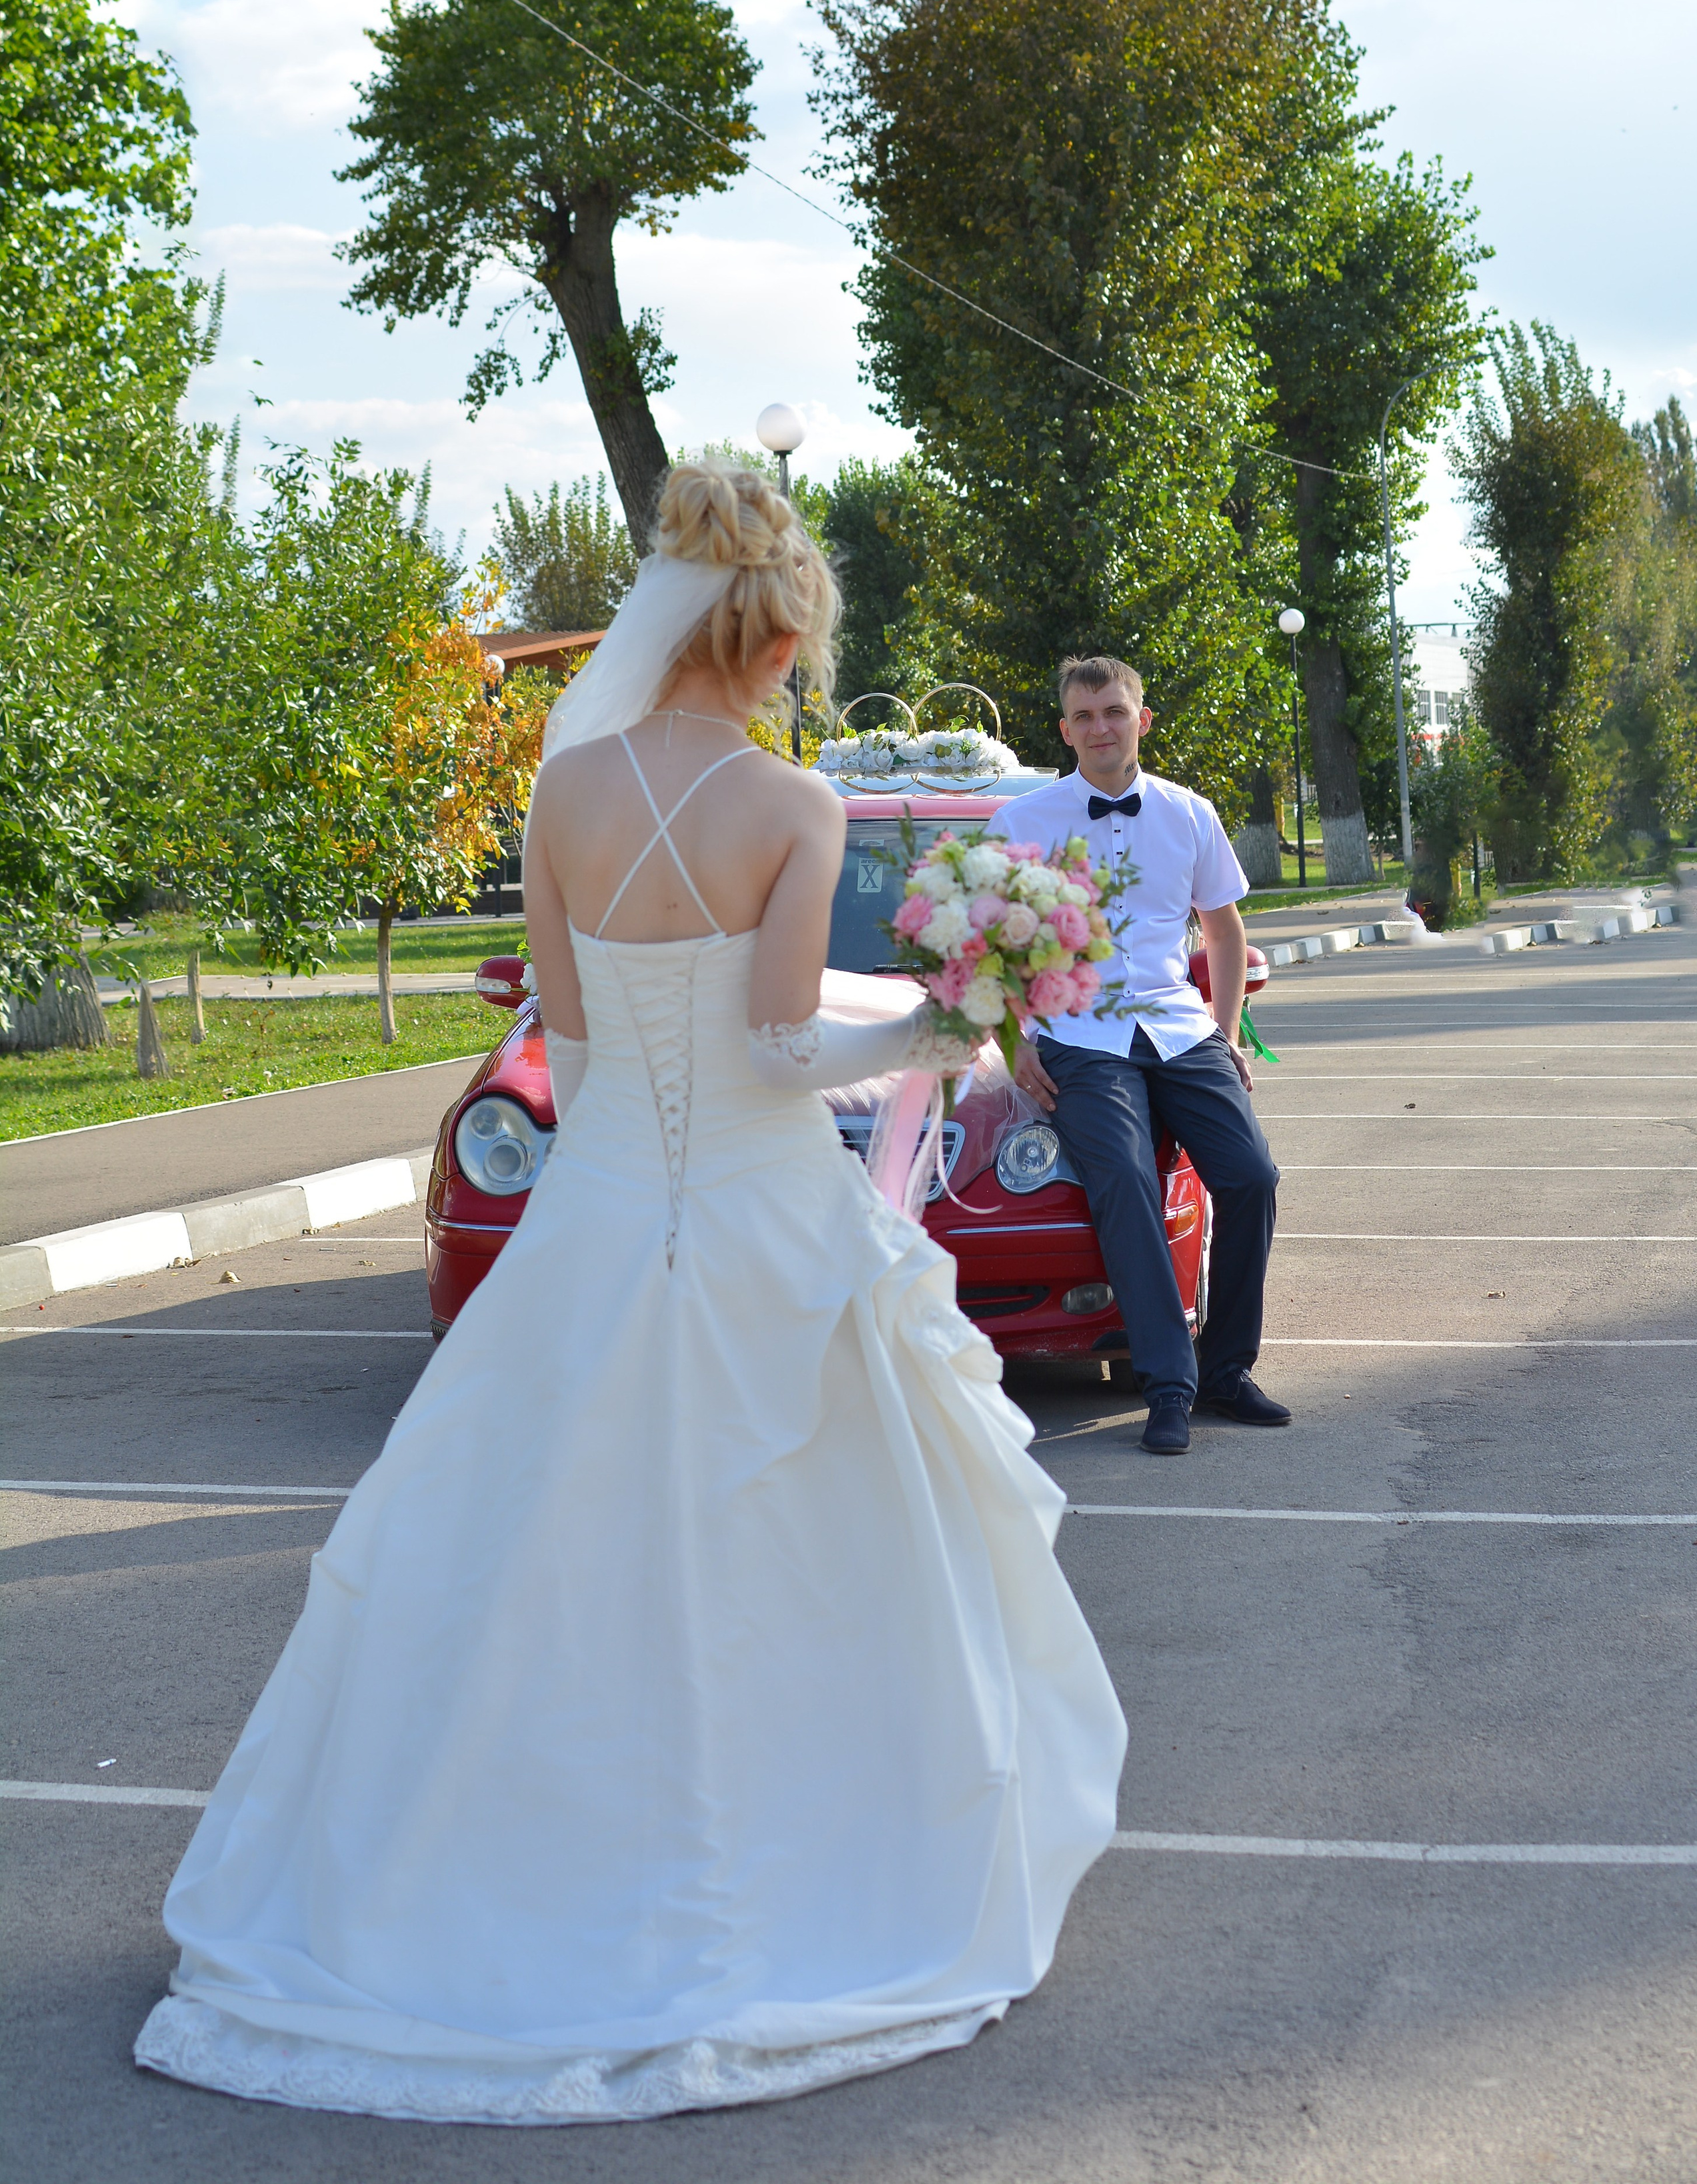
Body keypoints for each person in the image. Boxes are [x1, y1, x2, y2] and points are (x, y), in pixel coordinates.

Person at [134, 464, 1126, 2125]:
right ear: (778, 635)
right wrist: (935, 1035)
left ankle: (469, 1880)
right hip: (758, 1213)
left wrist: (635, 1198)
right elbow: (778, 1045)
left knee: (527, 1549)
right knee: (796, 1554)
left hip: (598, 1218)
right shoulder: (792, 808)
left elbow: (582, 1067)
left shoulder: (563, 795)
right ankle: (814, 1868)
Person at [998, 655, 1286, 1457]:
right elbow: (988, 947)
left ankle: (1224, 1371)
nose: (1100, 728)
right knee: (1122, 1178)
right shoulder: (1023, 822)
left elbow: (1225, 934)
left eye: (1113, 712)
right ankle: (1167, 1385)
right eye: (1084, 716)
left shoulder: (1189, 813)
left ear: (1141, 719)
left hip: (1177, 1027)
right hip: (1081, 1037)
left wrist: (1227, 1037)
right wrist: (1016, 1037)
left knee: (1252, 1176)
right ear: (1064, 730)